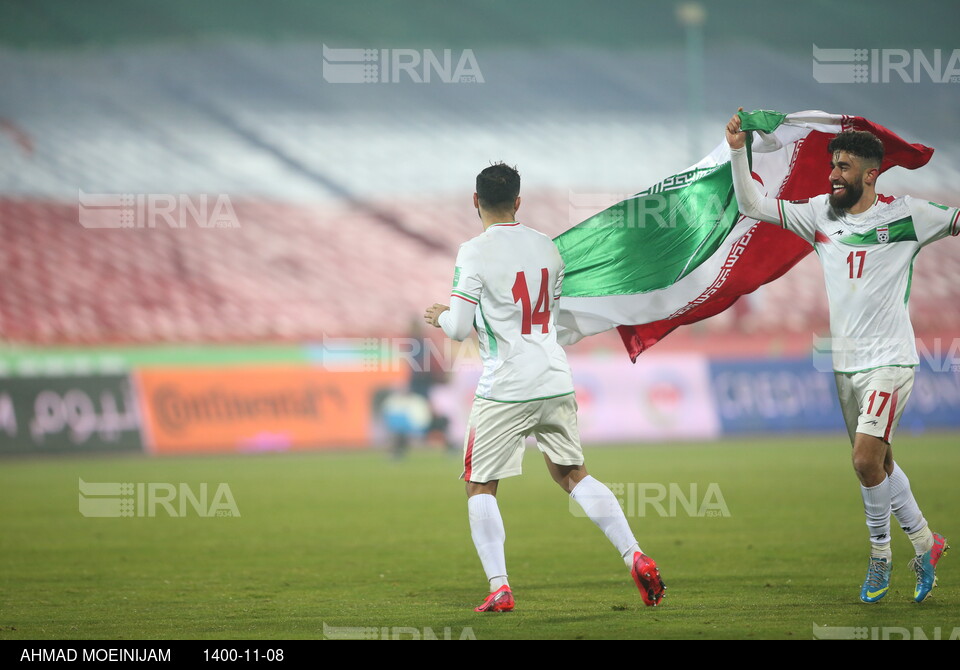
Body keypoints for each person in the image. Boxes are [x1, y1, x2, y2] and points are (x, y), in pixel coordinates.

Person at [725, 111, 956, 603]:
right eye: (833, 164)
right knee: (880, 464)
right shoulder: (818, 214)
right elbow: (752, 204)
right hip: (844, 364)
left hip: (890, 361)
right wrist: (736, 149)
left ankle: (880, 557)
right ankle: (925, 541)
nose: (834, 174)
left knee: (863, 458)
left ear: (870, 174)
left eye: (844, 167)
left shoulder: (907, 214)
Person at [424, 162, 665, 612]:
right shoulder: (548, 249)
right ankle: (635, 554)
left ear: (475, 201)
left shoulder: (473, 251)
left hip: (506, 385)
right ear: (518, 201)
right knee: (573, 475)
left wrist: (439, 315)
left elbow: (458, 328)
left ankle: (500, 586)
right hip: (554, 377)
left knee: (480, 486)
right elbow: (549, 318)